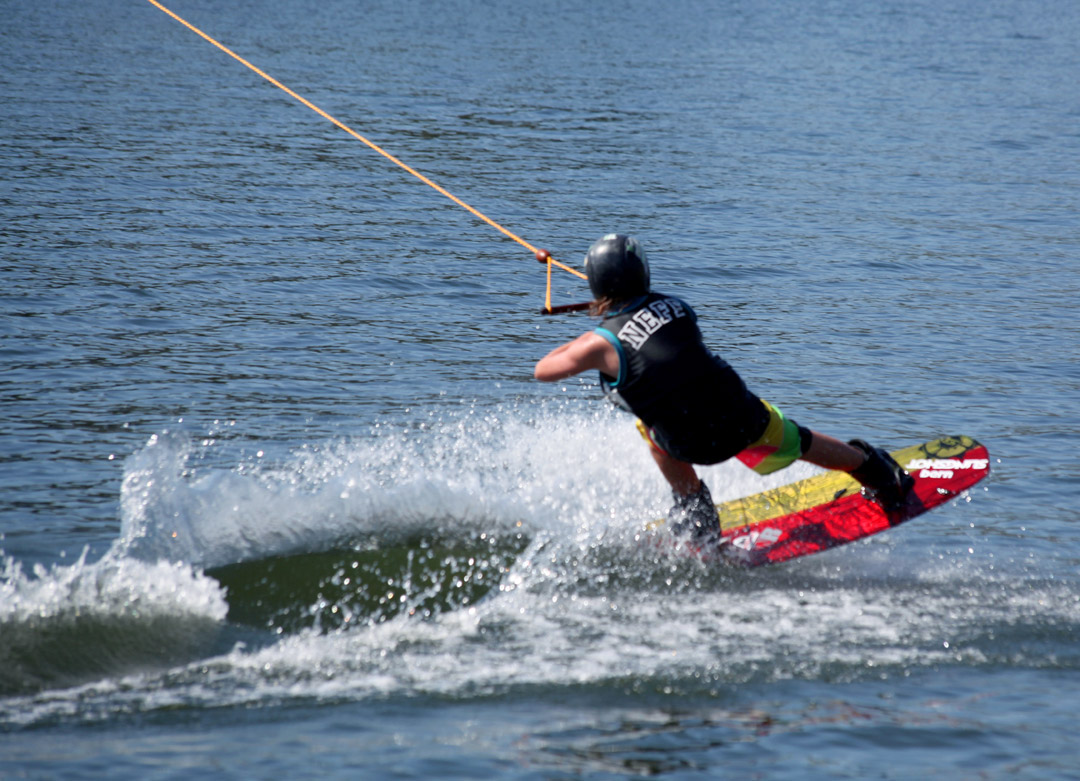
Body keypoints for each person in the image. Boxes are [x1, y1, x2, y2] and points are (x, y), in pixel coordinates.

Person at [533, 234, 914, 539]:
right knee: (797, 440)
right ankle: (874, 469)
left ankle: (693, 507)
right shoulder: (678, 306)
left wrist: (590, 336)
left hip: (686, 444)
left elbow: (544, 370)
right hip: (743, 422)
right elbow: (651, 336)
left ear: (598, 285)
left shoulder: (599, 345)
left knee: (648, 422)